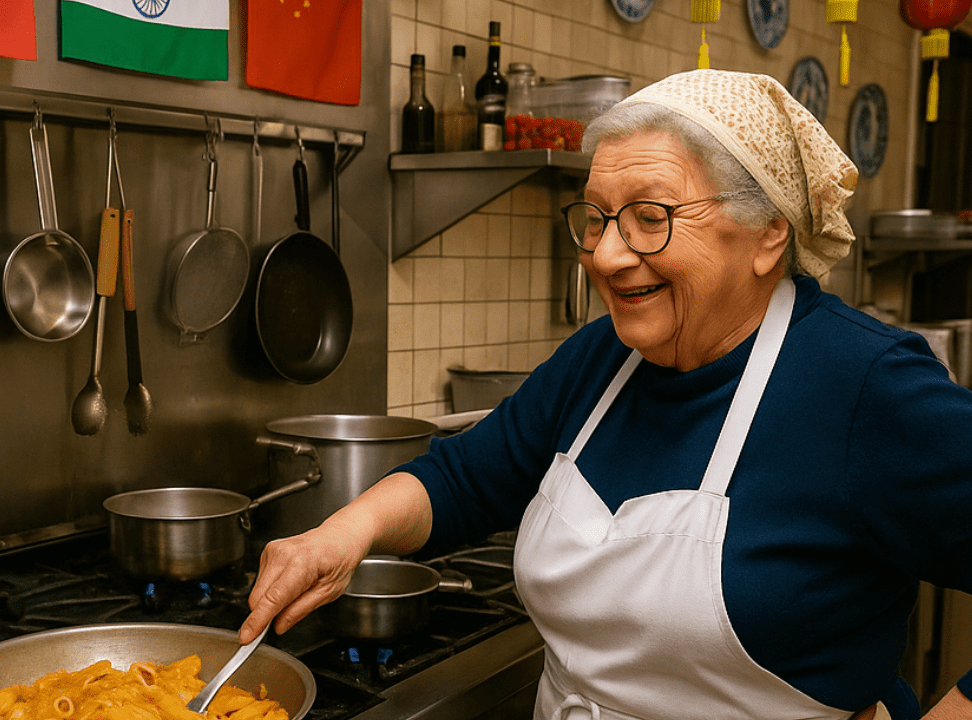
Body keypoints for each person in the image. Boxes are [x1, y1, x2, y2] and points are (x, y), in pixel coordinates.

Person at [238, 69, 972, 720]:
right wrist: (343, 535)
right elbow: (464, 479)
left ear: (768, 233)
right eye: (596, 219)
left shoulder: (864, 384)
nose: (610, 256)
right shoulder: (604, 359)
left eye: (651, 218)